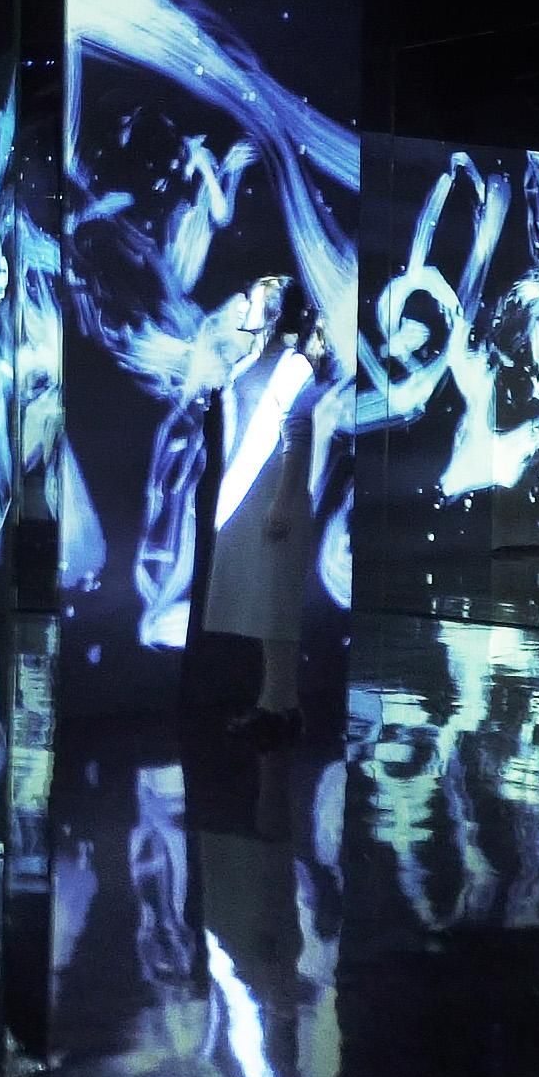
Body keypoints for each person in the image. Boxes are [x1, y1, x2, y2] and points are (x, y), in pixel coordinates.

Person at [203, 273, 325, 746]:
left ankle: (279, 707)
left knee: (275, 609)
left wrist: (284, 501)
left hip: (273, 498)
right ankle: (275, 704)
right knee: (261, 607)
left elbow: (298, 439)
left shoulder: (294, 368)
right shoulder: (246, 365)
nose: (244, 306)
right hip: (244, 501)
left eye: (254, 300)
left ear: (274, 311)